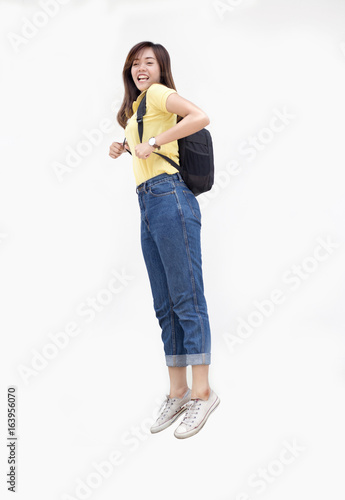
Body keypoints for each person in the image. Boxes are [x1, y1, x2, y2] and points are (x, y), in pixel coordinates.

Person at [109, 41, 220, 439]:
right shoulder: (134, 110)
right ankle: (178, 391)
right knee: (165, 303)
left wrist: (153, 142)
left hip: (170, 197)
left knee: (187, 297)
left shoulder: (157, 94)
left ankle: (203, 392)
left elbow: (200, 116)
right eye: (135, 63)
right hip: (148, 204)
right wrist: (124, 146)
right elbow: (145, 145)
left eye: (148, 62)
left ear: (160, 68)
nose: (141, 68)